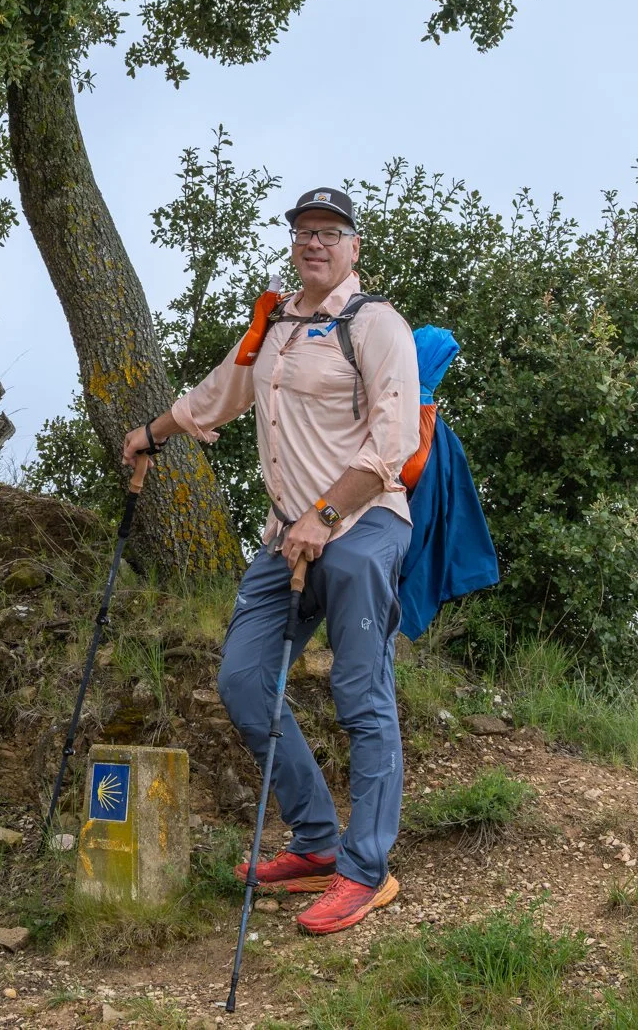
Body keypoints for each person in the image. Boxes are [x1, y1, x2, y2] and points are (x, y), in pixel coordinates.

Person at [123, 187, 420, 936]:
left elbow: (393, 444)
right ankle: (317, 842)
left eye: (330, 232)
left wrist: (326, 516)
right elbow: (219, 393)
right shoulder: (277, 324)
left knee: (361, 695)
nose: (314, 242)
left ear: (353, 247)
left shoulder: (376, 324)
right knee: (244, 682)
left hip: (362, 530)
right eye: (303, 231)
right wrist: (151, 435)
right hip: (287, 537)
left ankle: (366, 869)